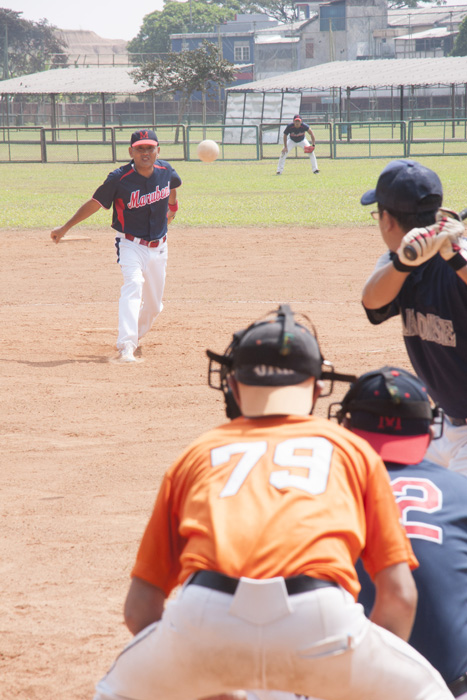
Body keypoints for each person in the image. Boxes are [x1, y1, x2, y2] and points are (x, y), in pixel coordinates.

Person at [93, 304, 451, 700]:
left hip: (205, 616)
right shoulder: (351, 449)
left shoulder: (198, 453)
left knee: (114, 692)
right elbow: (399, 596)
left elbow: (139, 609)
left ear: (231, 385)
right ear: (317, 389)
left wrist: (203, 676)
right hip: (319, 618)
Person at [334, 365, 467, 699]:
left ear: (347, 428)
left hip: (345, 685)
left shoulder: (323, 493)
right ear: (427, 431)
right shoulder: (460, 492)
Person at [360, 159, 467, 474]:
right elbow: (372, 304)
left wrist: (456, 258)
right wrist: (404, 263)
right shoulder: (398, 263)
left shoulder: (458, 257)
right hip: (442, 425)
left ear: (387, 220)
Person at [50, 129, 181, 363]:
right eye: (139, 148)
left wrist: (173, 208)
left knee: (154, 306)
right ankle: (126, 346)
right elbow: (95, 203)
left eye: (149, 148)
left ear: (157, 150)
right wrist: (65, 228)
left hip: (159, 246)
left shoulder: (166, 170)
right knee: (133, 284)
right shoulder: (119, 178)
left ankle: (135, 336)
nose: (145, 152)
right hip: (131, 244)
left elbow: (172, 186)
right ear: (131, 151)